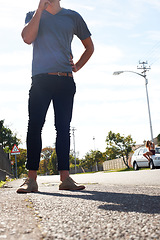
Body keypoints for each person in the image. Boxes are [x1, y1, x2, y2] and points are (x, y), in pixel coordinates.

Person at [17, 0, 94, 193]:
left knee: (63, 128)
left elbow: (89, 47)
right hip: (41, 80)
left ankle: (65, 178)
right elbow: (27, 38)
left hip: (65, 81)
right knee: (35, 126)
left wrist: (77, 65)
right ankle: (31, 179)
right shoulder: (33, 14)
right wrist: (39, 9)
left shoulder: (73, 16)